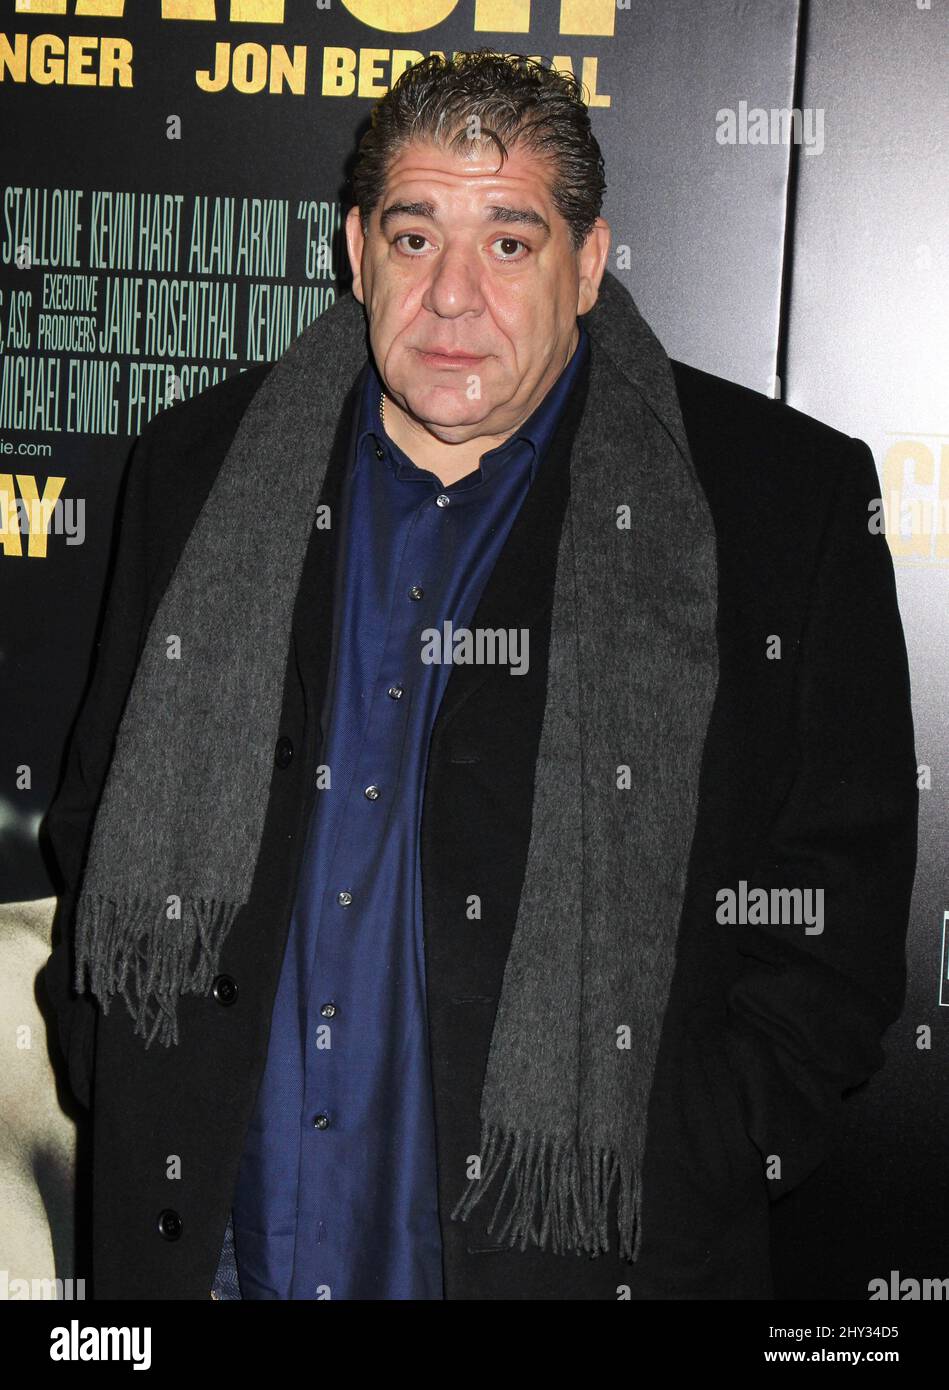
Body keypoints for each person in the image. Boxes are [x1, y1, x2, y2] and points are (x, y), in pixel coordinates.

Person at [43, 49, 918, 1301]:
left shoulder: (780, 507)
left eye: (508, 243)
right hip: (220, 1251)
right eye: (414, 238)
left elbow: (831, 914)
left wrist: (701, 1146)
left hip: (567, 1260)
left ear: (588, 259)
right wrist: (121, 1064)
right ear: (357, 253)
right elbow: (96, 810)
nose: (451, 297)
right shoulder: (198, 469)